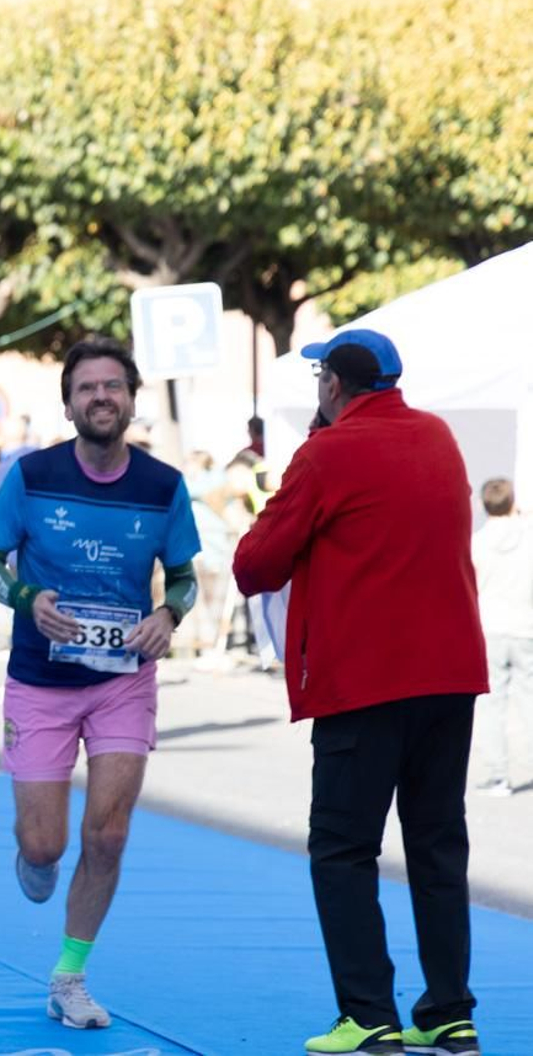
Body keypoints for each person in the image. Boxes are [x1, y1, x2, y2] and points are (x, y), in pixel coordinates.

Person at [233, 328, 487, 1056]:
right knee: (438, 844)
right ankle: (449, 1009)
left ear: (333, 386)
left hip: (367, 680)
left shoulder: (325, 453)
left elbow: (257, 563)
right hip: (450, 675)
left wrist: (310, 458)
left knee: (342, 847)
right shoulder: (438, 435)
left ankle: (368, 1013)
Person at [0, 336, 200, 1031]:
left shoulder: (162, 486)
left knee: (108, 832)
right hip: (40, 680)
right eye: (87, 388)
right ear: (68, 404)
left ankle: (69, 975)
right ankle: (33, 854)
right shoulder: (32, 475)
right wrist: (25, 598)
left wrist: (169, 612)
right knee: (47, 845)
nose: (101, 397)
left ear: (131, 399)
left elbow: (185, 574)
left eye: (113, 387)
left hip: (124, 679)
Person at [470, 478, 533, 798]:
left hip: (491, 628)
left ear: (483, 505)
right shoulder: (527, 538)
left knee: (493, 704)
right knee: (528, 698)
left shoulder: (477, 543)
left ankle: (498, 775)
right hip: (525, 625)